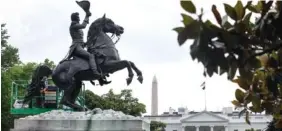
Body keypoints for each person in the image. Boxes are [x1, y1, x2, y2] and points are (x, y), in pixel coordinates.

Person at [62, 12, 102, 78]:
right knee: (91, 56)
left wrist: (86, 43)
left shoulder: (77, 27)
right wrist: (87, 16)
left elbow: (80, 38)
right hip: (76, 47)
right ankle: (95, 72)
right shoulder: (73, 25)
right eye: (78, 17)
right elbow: (83, 26)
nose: (79, 18)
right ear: (75, 18)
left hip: (81, 45)